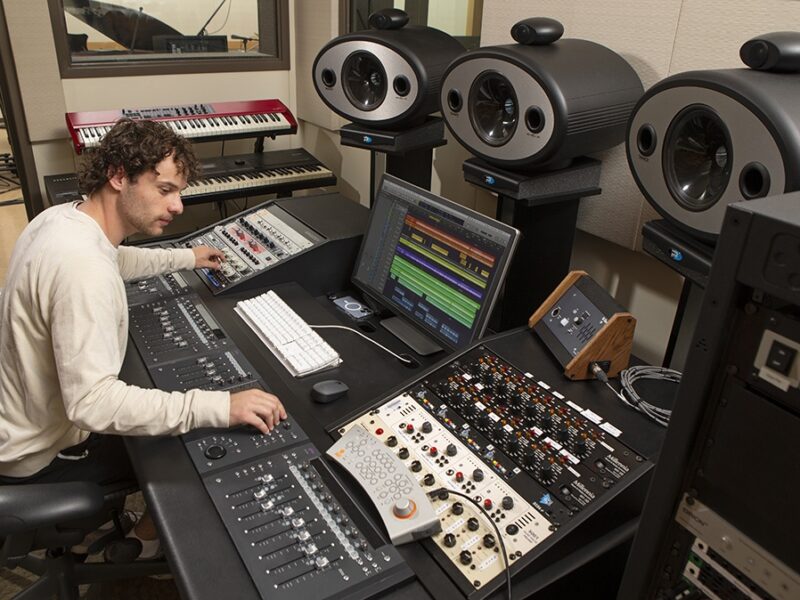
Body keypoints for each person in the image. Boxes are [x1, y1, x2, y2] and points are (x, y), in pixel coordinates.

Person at [0, 118, 286, 559]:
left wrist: (186, 256)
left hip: (17, 424)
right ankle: (151, 543)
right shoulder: (81, 270)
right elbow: (91, 403)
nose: (178, 206)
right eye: (166, 190)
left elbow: (114, 257)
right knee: (197, 436)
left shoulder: (61, 220)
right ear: (118, 176)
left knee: (170, 400)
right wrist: (220, 406)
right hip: (41, 461)